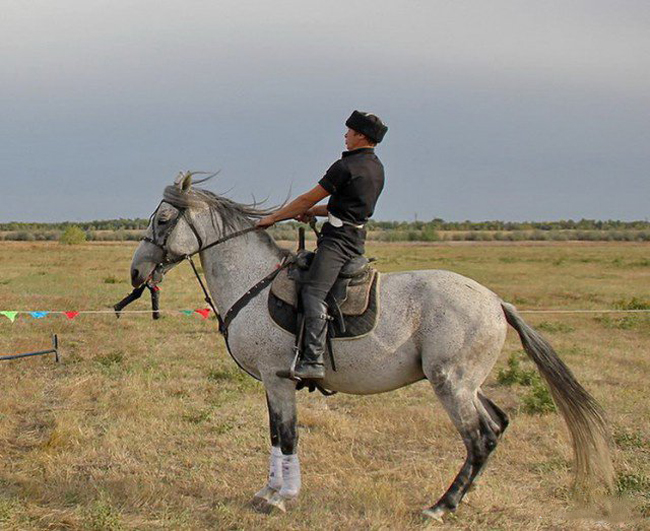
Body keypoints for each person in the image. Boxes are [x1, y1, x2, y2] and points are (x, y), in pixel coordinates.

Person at [257, 110, 388, 379]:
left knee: (313, 293)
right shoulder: (375, 167)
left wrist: (273, 218)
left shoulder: (345, 167)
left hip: (338, 244)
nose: (345, 136)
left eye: (349, 131)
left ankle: (313, 361)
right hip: (354, 239)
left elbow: (306, 198)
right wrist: (313, 212)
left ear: (361, 135)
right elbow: (346, 207)